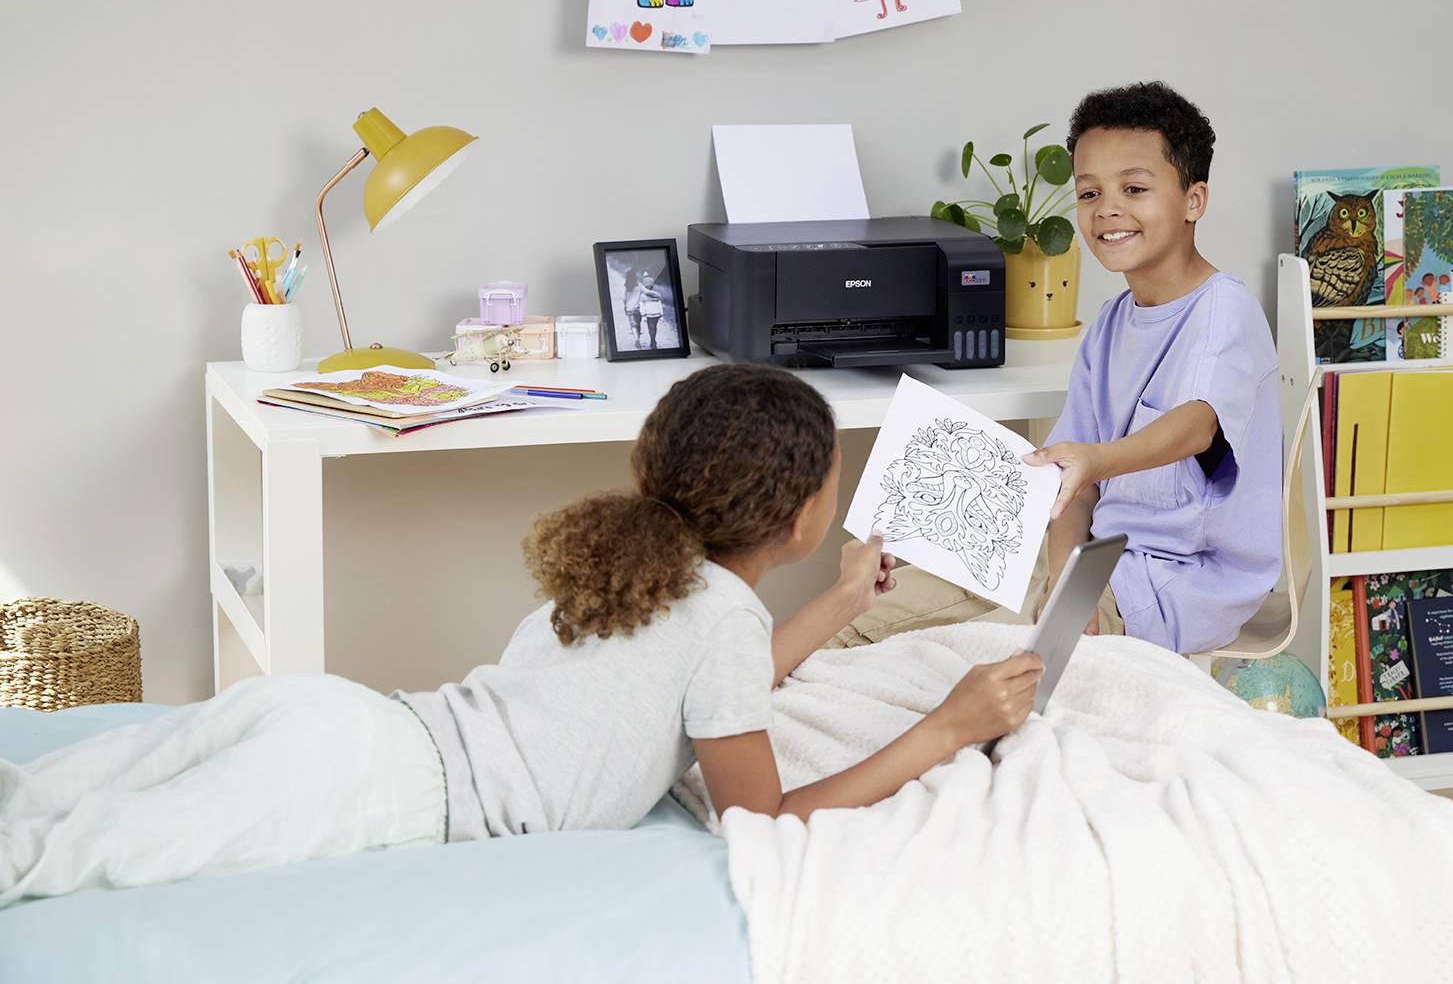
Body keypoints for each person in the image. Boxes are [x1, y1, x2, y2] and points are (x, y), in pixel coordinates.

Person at [0, 365, 1041, 906]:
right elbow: (760, 815)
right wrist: (945, 730)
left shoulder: (653, 569)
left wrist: (848, 603)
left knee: (60, 796)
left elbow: (714, 693)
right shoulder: (721, 614)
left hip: (342, 722)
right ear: (808, 513)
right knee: (65, 856)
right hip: (386, 786)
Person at [829, 81, 1281, 655]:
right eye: (1089, 194)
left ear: (1194, 200)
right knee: (853, 617)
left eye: (1135, 188)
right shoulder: (1112, 322)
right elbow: (1072, 487)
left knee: (958, 661)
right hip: (1083, 563)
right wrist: (1068, 579)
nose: (1107, 209)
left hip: (1167, 585)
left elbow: (1195, 425)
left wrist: (1094, 465)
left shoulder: (1225, 310)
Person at [625, 268, 666, 349]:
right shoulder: (640, 286)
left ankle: (637, 340)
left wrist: (626, 306)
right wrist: (658, 295)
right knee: (648, 327)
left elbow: (625, 298)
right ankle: (652, 341)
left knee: (635, 325)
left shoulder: (627, 287)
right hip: (639, 310)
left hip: (631, 309)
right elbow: (648, 293)